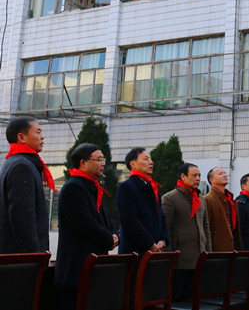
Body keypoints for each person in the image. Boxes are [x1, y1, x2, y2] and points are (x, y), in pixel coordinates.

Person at [54, 143, 119, 310]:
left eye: (103, 159)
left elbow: (106, 219)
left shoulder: (93, 186)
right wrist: (108, 238)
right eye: (98, 159)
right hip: (77, 268)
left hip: (94, 266)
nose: (103, 163)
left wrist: (115, 234)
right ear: (83, 163)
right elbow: (84, 223)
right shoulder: (73, 187)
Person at [0, 117, 52, 253]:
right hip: (22, 259)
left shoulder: (13, 162)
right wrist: (34, 257)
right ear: (21, 137)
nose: (42, 137)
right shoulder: (21, 166)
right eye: (38, 132)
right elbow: (22, 220)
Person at [162, 163, 211, 301]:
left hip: (199, 257)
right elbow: (166, 228)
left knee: (194, 299)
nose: (198, 178)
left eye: (199, 175)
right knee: (177, 299)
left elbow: (206, 227)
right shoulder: (170, 198)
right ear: (183, 177)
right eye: (194, 175)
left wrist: (208, 252)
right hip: (180, 260)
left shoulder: (201, 199)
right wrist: (169, 256)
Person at [117, 147, 168, 256]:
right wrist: (149, 243)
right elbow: (129, 220)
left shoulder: (153, 187)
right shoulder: (126, 187)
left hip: (154, 250)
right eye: (145, 159)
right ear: (133, 164)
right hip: (135, 253)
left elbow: (161, 216)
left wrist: (163, 239)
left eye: (150, 159)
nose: (151, 162)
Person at [204, 167, 241, 251]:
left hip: (233, 245)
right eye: (220, 174)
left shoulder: (230, 199)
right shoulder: (208, 199)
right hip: (218, 248)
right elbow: (206, 227)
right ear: (212, 180)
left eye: (224, 173)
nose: (224, 175)